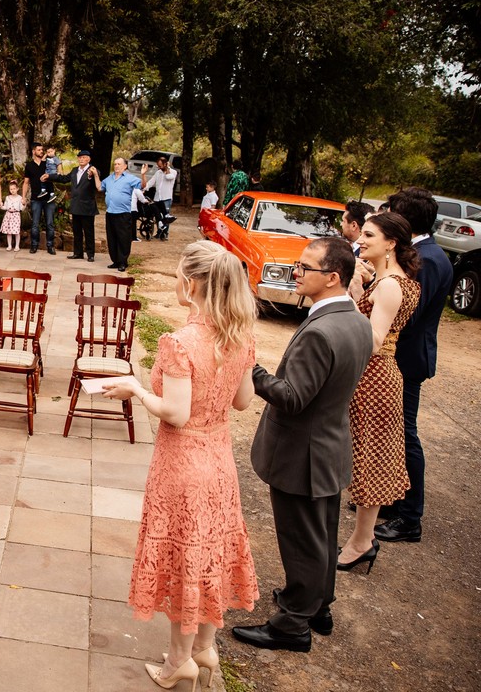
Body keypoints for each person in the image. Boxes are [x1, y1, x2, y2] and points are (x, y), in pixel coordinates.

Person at [102, 241, 260, 691]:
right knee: (209, 551)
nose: (175, 283)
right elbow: (244, 401)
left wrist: (137, 389)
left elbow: (175, 413)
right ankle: (205, 648)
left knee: (184, 558)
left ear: (191, 284)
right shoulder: (240, 336)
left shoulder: (180, 342)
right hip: (219, 460)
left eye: (176, 276)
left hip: (182, 464)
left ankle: (178, 661)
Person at [232, 237, 373, 654]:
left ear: (332, 278)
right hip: (330, 444)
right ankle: (318, 606)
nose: (296, 272)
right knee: (322, 535)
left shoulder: (322, 330)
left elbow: (293, 397)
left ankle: (292, 625)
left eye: (305, 268)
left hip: (303, 454)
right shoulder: (355, 319)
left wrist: (251, 369)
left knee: (301, 541)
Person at [336, 211, 420, 574]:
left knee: (369, 459)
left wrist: (353, 295)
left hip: (374, 378)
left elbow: (372, 340)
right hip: (377, 376)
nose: (361, 239)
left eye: (369, 235)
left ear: (391, 243)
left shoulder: (389, 285)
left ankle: (362, 542)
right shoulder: (392, 279)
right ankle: (363, 538)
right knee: (367, 456)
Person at [376, 187, 453, 543]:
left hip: (407, 359)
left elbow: (409, 312)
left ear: (404, 220)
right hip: (399, 357)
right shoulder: (422, 253)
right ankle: (392, 500)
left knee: (405, 435)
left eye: (392, 212)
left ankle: (410, 518)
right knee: (392, 432)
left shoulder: (430, 259)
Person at [49, 150, 100, 261]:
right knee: (77, 231)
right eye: (80, 157)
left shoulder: (93, 170)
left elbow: (96, 182)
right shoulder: (75, 170)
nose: (81, 159)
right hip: (76, 205)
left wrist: (92, 175)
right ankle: (78, 253)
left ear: (88, 159)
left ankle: (90, 254)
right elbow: (64, 179)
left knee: (88, 232)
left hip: (87, 207)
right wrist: (50, 176)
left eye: (84, 157)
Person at [101, 157, 141, 272]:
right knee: (111, 238)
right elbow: (100, 187)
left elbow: (142, 185)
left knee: (123, 238)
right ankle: (115, 261)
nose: (116, 166)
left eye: (119, 164)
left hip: (123, 213)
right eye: (115, 164)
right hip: (110, 212)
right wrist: (95, 175)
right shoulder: (109, 178)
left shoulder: (129, 178)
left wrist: (143, 175)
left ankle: (123, 262)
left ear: (125, 166)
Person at [22, 143, 56, 254]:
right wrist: (23, 197)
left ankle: (50, 246)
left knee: (50, 223)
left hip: (49, 199)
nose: (41, 151)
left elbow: (56, 174)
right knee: (35, 224)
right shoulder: (29, 166)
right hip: (35, 198)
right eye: (39, 150)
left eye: (42, 150)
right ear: (33, 151)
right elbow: (26, 182)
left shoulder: (47, 163)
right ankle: (34, 245)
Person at [142, 157, 178, 239]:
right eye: (158, 166)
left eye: (160, 166)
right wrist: (144, 189)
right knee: (158, 216)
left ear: (165, 164)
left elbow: (168, 177)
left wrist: (167, 168)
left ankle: (165, 234)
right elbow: (151, 182)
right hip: (157, 197)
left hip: (166, 198)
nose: (159, 167)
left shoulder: (173, 172)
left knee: (166, 216)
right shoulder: (158, 173)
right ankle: (159, 232)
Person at [0, 180, 24, 251]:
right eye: (11, 189)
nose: (12, 190)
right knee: (9, 232)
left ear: (17, 189)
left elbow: (21, 208)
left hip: (16, 215)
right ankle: (9, 245)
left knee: (16, 231)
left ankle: (17, 246)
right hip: (8, 215)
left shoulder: (20, 198)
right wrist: (0, 206)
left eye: (14, 189)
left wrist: (24, 204)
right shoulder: (7, 198)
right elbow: (5, 207)